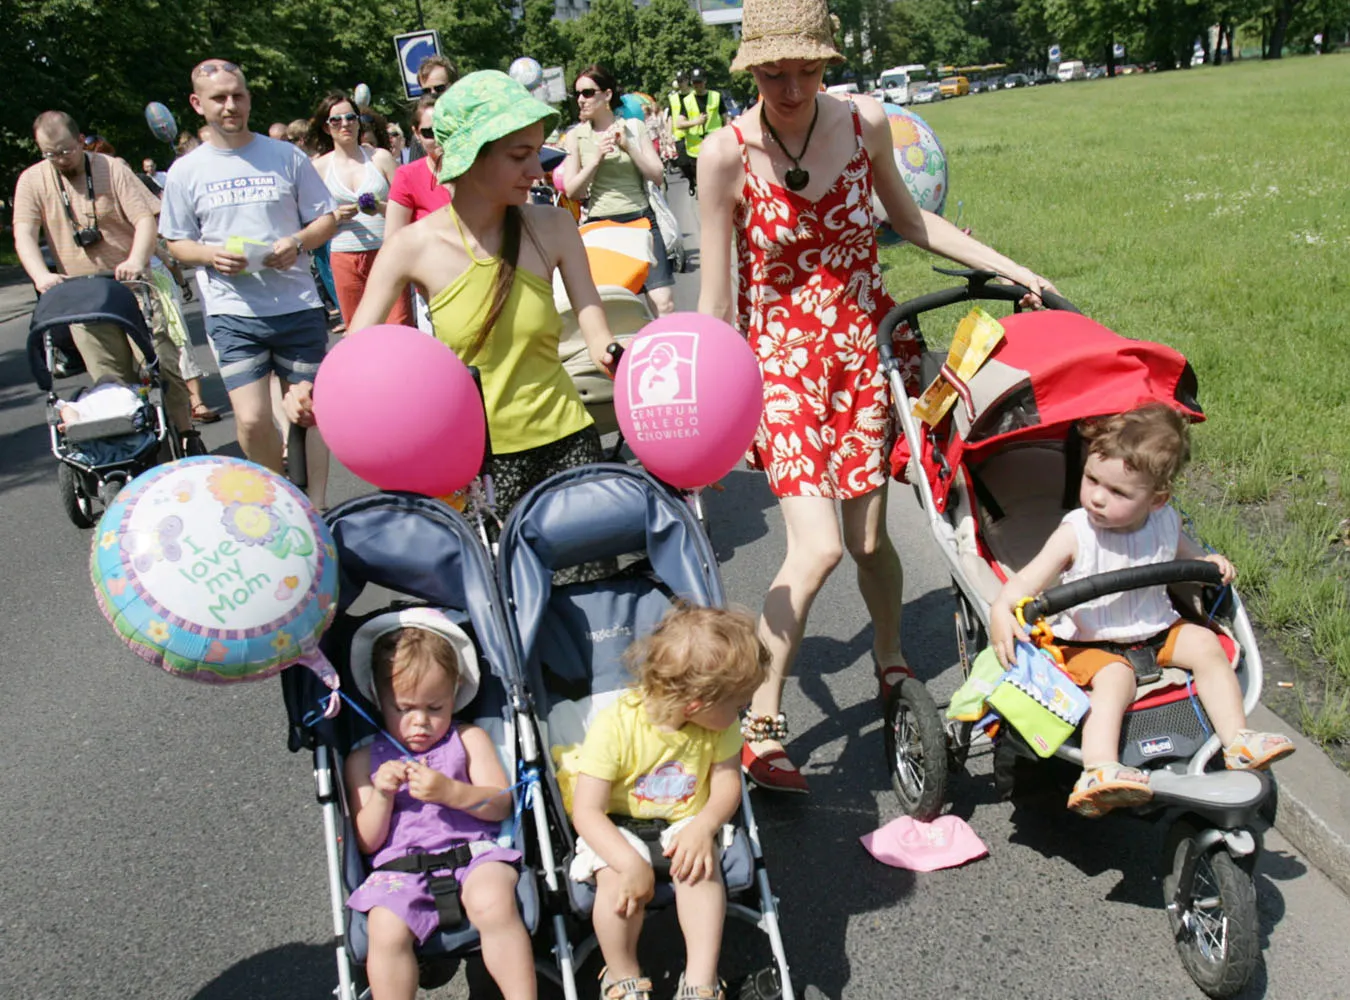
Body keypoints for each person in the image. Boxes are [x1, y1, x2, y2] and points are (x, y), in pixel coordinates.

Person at [696, 0, 1056, 794]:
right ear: (750, 69)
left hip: (865, 352)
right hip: (781, 368)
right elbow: (716, 302)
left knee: (867, 540)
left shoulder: (863, 123)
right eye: (772, 73)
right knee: (817, 545)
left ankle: (889, 657)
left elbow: (912, 220)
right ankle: (759, 719)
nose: (790, 88)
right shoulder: (722, 155)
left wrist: (1015, 272)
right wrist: (701, 412)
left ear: (826, 62)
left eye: (806, 70)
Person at [284, 71, 620, 524]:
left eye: (536, 153)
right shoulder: (411, 246)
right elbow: (356, 346)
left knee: (589, 591)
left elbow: (598, 335)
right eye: (519, 155)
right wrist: (313, 390)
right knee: (500, 592)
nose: (536, 170)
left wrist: (631, 360)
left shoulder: (554, 227)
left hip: (568, 446)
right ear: (471, 158)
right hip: (475, 463)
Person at [989, 404, 1296, 817]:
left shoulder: (1165, 522)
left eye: (1117, 492)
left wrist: (1213, 563)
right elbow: (1026, 583)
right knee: (1115, 679)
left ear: (1157, 500)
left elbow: (1192, 558)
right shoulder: (1076, 533)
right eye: (1092, 479)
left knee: (1206, 644)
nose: (1097, 496)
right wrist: (1001, 611)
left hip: (1155, 626)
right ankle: (1098, 770)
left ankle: (1237, 739)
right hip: (1088, 640)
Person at [559, 604, 767, 1000]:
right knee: (617, 887)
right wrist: (627, 860)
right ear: (696, 704)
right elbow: (586, 811)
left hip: (685, 820)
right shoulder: (615, 728)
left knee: (701, 872)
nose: (743, 710)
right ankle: (622, 976)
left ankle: (700, 981)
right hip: (616, 824)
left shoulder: (718, 728)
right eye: (737, 703)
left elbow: (726, 786)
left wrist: (704, 827)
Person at [159, 59, 336, 506]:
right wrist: (209, 255)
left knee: (310, 415)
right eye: (219, 98)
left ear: (249, 98)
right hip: (233, 313)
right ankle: (278, 505)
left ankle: (316, 509)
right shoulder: (186, 170)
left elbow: (326, 219)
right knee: (255, 421)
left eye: (238, 95)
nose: (230, 105)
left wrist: (296, 242)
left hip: (296, 305)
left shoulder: (286, 156)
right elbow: (176, 242)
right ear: (198, 104)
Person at [346, 616, 535, 1000]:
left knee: (494, 902)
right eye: (404, 709)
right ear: (378, 699)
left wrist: (451, 791)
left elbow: (500, 805)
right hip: (399, 868)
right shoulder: (363, 761)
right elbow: (366, 842)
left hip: (475, 856)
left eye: (435, 707)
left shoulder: (468, 739)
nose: (420, 722)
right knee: (385, 928)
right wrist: (381, 795)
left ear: (455, 693)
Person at [12, 110, 194, 441]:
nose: (59, 159)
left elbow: (145, 220)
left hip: (133, 287)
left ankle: (185, 434)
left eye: (65, 150)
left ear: (81, 141)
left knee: (163, 367)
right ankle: (136, 449)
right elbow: (24, 232)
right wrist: (41, 276)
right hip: (83, 296)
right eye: (50, 154)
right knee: (111, 382)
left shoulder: (111, 169)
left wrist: (137, 259)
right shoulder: (32, 180)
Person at [563, 64, 675, 317]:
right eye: (577, 94)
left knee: (664, 302)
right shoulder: (577, 136)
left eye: (588, 93)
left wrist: (629, 147)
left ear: (607, 95)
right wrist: (595, 159)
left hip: (641, 220)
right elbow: (572, 191)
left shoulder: (634, 127)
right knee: (617, 310)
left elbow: (657, 175)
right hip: (602, 226)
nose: (581, 99)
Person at [305, 91, 411, 327]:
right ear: (326, 127)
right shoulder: (319, 167)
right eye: (336, 120)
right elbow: (309, 219)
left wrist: (380, 207)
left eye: (351, 118)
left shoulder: (380, 158)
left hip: (386, 252)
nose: (345, 124)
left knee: (399, 325)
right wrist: (335, 216)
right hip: (344, 254)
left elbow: (405, 208)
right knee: (358, 329)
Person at [386, 93, 450, 332]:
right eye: (429, 132)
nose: (438, 139)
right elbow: (393, 243)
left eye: (444, 129)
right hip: (433, 292)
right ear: (416, 133)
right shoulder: (407, 176)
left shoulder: (475, 171)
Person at [674, 68, 723, 198]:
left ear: (705, 81)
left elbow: (725, 119)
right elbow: (679, 124)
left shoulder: (716, 96)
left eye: (700, 82)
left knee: (717, 177)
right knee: (700, 180)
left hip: (715, 145)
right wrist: (696, 122)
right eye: (695, 83)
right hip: (695, 149)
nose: (697, 86)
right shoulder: (687, 100)